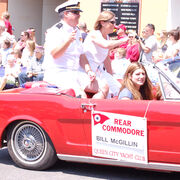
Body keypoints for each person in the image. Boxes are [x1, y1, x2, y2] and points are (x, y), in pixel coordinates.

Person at [43, 0, 109, 99]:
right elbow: (55, 54)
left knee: (104, 87)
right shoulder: (55, 31)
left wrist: (89, 71)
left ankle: (91, 112)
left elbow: (81, 54)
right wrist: (68, 41)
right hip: (58, 73)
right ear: (66, 14)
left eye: (79, 13)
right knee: (80, 94)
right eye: (76, 13)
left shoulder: (76, 30)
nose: (79, 15)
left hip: (74, 73)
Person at [83, 10, 129, 97]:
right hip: (87, 71)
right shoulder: (94, 34)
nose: (114, 25)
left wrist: (110, 75)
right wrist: (123, 40)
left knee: (119, 89)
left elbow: (106, 58)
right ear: (102, 22)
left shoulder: (107, 37)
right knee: (105, 90)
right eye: (112, 22)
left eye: (115, 22)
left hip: (99, 71)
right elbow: (105, 45)